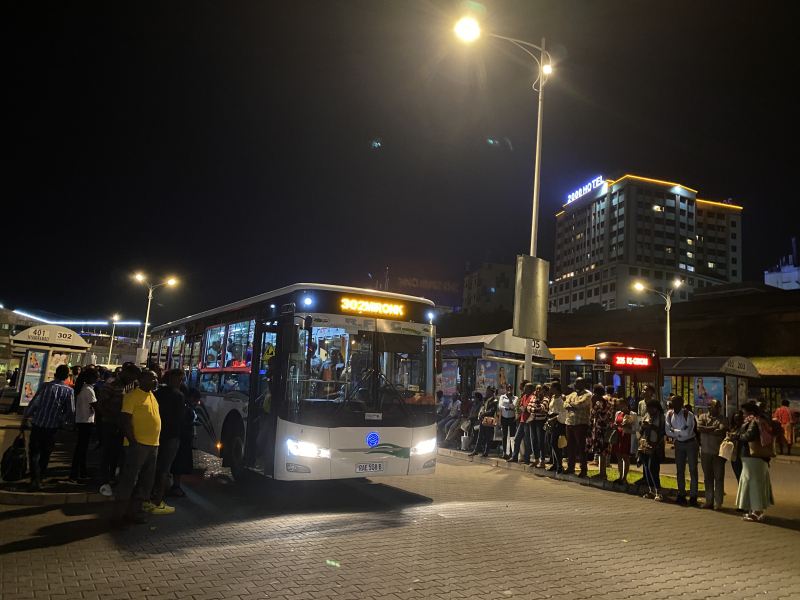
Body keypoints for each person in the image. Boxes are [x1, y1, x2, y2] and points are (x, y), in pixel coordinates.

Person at [111, 370, 162, 528]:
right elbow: (125, 420)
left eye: (156, 378)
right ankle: (118, 515)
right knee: (129, 480)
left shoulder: (152, 396)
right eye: (152, 378)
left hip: (153, 445)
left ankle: (134, 513)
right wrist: (133, 441)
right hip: (138, 445)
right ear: (141, 380)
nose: (156, 381)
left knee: (146, 481)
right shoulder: (132, 396)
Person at [20, 365, 75, 491]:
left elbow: (34, 402)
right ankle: (40, 476)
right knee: (46, 452)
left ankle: (34, 477)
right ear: (66, 377)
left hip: (38, 423)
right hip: (53, 426)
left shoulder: (45, 386)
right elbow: (71, 410)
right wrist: (64, 421)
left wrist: (26, 416)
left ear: (55, 374)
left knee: (34, 452)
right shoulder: (68, 391)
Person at [95, 363, 140, 496]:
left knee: (120, 452)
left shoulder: (134, 384)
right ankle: (104, 480)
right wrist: (111, 419)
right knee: (108, 452)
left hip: (124, 424)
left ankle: (114, 477)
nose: (133, 379)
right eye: (131, 376)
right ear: (125, 373)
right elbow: (100, 405)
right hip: (110, 423)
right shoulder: (112, 384)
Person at [731, 401, 775, 522]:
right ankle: (756, 510)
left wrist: (735, 436)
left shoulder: (754, 422)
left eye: (744, 412)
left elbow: (748, 436)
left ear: (751, 412)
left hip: (752, 457)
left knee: (753, 483)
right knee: (755, 482)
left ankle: (756, 512)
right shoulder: (761, 421)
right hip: (756, 458)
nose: (743, 415)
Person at [151, 369, 186, 514]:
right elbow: (179, 418)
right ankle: (158, 501)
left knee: (153, 466)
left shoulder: (158, 393)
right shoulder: (179, 396)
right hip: (172, 435)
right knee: (164, 468)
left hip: (157, 433)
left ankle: (148, 496)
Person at [665, 394, 699, 506]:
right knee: (680, 470)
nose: (670, 403)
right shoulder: (669, 414)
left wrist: (674, 431)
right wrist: (680, 431)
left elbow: (688, 432)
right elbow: (667, 431)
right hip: (678, 444)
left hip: (690, 443)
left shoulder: (688, 414)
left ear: (680, 403)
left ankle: (693, 496)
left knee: (693, 470)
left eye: (673, 401)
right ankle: (681, 494)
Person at [68, 369, 99, 484]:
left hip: (81, 419)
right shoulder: (88, 390)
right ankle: (75, 474)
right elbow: (95, 405)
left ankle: (81, 472)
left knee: (81, 448)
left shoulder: (82, 388)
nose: (97, 379)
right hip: (86, 421)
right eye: (96, 377)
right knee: (81, 449)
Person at [696, 399, 729, 509]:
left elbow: (721, 430)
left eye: (719, 407)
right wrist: (714, 428)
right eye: (715, 407)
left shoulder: (723, 419)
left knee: (719, 478)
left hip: (719, 453)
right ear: (709, 407)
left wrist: (707, 429)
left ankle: (718, 502)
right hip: (705, 452)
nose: (718, 409)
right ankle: (709, 500)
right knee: (708, 477)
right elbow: (699, 428)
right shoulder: (703, 417)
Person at [170, 387, 198, 497]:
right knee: (179, 463)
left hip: (181, 439)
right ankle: (175, 486)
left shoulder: (182, 407)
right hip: (183, 440)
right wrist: (192, 424)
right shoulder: (186, 409)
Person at [563, 377, 592, 477]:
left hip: (581, 424)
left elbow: (580, 404)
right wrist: (571, 405)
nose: (575, 385)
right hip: (570, 423)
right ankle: (570, 467)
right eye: (575, 383)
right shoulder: (573, 394)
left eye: (577, 383)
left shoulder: (588, 395)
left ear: (583, 384)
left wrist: (570, 404)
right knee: (570, 446)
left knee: (581, 447)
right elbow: (565, 404)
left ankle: (583, 469)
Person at [639, 399, 666, 501]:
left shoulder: (661, 417)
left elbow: (663, 431)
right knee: (646, 467)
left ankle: (658, 491)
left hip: (656, 445)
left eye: (651, 408)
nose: (649, 410)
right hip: (645, 444)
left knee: (652, 467)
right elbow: (641, 430)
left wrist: (651, 426)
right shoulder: (646, 416)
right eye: (648, 407)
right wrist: (643, 426)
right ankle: (651, 490)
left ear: (656, 408)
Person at [587, 384, 613, 479]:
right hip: (598, 429)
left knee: (602, 451)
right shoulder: (600, 402)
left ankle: (603, 473)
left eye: (594, 392)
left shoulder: (602, 403)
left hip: (602, 430)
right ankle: (601, 472)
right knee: (600, 451)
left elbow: (600, 416)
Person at [508, 383, 535, 464]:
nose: (524, 389)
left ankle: (527, 459)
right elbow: (521, 406)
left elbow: (528, 408)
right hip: (522, 420)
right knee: (517, 439)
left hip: (528, 421)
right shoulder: (524, 397)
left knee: (527, 440)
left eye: (526, 388)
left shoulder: (532, 397)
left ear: (530, 389)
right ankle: (515, 456)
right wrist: (523, 409)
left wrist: (525, 408)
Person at [470, 387, 499, 457]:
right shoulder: (485, 399)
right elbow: (482, 407)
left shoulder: (494, 401)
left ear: (491, 392)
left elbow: (491, 410)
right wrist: (480, 414)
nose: (486, 392)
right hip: (483, 419)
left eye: (488, 391)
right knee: (480, 435)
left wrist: (483, 414)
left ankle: (486, 451)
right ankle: (476, 450)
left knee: (487, 436)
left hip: (489, 419)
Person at [611, 400, 635, 484]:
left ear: (627, 405)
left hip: (627, 436)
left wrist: (629, 426)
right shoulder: (618, 413)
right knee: (619, 456)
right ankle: (620, 476)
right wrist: (615, 425)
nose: (621, 408)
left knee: (625, 456)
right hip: (618, 435)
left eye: (622, 406)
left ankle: (624, 477)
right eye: (620, 406)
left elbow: (637, 427)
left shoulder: (632, 414)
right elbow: (615, 422)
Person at [546, 381, 567, 473]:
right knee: (550, 442)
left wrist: (553, 419)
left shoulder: (562, 398)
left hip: (559, 421)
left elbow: (563, 412)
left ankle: (559, 464)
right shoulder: (553, 397)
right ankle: (554, 463)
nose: (550, 389)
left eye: (551, 387)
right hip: (551, 420)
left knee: (555, 442)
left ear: (555, 388)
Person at [528, 385, 550, 467]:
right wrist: (536, 410)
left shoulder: (545, 399)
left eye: (540, 389)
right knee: (533, 440)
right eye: (536, 389)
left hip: (541, 421)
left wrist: (536, 407)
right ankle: (536, 459)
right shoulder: (533, 398)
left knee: (541, 441)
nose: (538, 391)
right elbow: (528, 408)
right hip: (533, 421)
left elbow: (542, 408)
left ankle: (542, 460)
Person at [497, 384, 517, 459]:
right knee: (504, 435)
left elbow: (513, 406)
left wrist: (510, 399)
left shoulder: (515, 398)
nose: (509, 389)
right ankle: (504, 452)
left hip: (512, 418)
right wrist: (506, 408)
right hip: (504, 417)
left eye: (510, 388)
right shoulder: (502, 397)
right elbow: (500, 406)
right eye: (508, 388)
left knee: (512, 435)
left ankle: (511, 452)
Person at [729, 411, 745, 481]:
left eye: (739, 419)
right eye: (736, 420)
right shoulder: (733, 428)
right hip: (735, 455)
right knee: (738, 476)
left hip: (744, 454)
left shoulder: (746, 428)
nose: (738, 422)